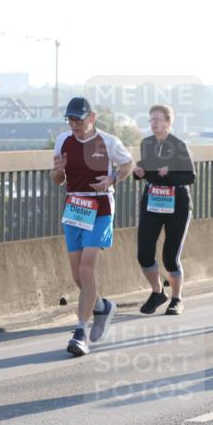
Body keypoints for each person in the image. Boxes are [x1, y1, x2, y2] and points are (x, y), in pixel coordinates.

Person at [51, 97, 135, 356]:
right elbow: (57, 179)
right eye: (70, 120)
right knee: (78, 275)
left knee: (87, 268)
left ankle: (80, 332)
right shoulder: (62, 141)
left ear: (92, 117)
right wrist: (58, 170)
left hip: (100, 209)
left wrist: (112, 178)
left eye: (78, 119)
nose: (74, 124)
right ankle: (101, 306)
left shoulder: (108, 141)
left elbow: (128, 164)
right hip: (75, 207)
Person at [134, 105, 195, 315]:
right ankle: (158, 292)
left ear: (168, 122)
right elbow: (147, 167)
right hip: (153, 202)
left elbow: (190, 177)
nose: (153, 123)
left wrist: (169, 173)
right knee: (144, 253)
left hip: (177, 204)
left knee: (170, 256)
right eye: (151, 119)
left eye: (158, 119)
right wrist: (139, 171)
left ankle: (177, 299)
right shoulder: (147, 143)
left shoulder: (178, 145)